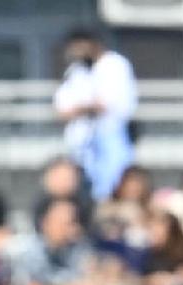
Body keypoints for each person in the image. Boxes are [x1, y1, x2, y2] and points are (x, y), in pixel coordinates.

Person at [56, 25, 139, 198]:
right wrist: (86, 107)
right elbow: (63, 108)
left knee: (113, 184)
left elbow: (109, 104)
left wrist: (84, 107)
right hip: (82, 143)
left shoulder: (115, 65)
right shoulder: (76, 71)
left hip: (111, 134)